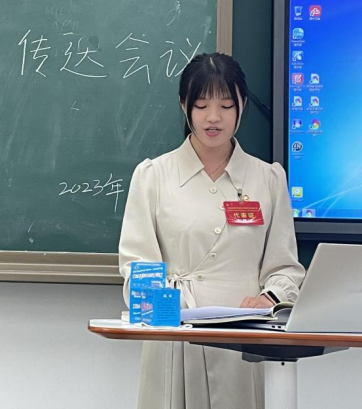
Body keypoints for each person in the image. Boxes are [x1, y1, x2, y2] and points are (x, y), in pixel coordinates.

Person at [118, 52, 305, 409]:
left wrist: (268, 299)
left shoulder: (268, 179)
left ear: (242, 105)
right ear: (184, 106)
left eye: (226, 105)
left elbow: (285, 268)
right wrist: (175, 311)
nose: (213, 117)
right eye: (202, 105)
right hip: (175, 337)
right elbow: (137, 268)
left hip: (244, 340)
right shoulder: (153, 176)